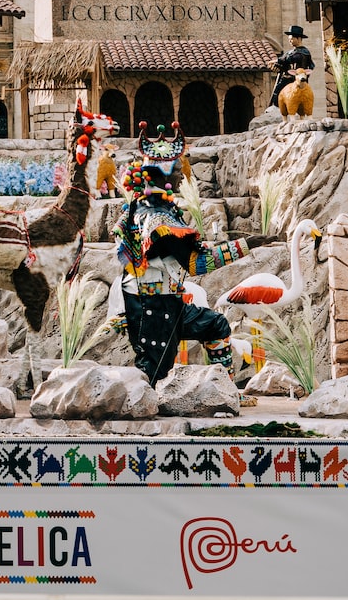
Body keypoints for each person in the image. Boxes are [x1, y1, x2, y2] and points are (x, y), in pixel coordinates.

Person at [107, 123, 266, 382]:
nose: (183, 176)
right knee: (153, 374)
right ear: (164, 175)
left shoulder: (148, 208)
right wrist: (248, 245)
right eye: (179, 170)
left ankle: (223, 389)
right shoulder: (158, 219)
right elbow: (196, 264)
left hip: (169, 301)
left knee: (215, 325)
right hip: (153, 307)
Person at [270, 24, 316, 108]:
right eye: (289, 39)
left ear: (298, 39)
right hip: (287, 77)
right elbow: (284, 60)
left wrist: (277, 61)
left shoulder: (303, 53)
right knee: (277, 93)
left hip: (296, 80)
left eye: (291, 39)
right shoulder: (291, 52)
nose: (290, 41)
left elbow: (289, 59)